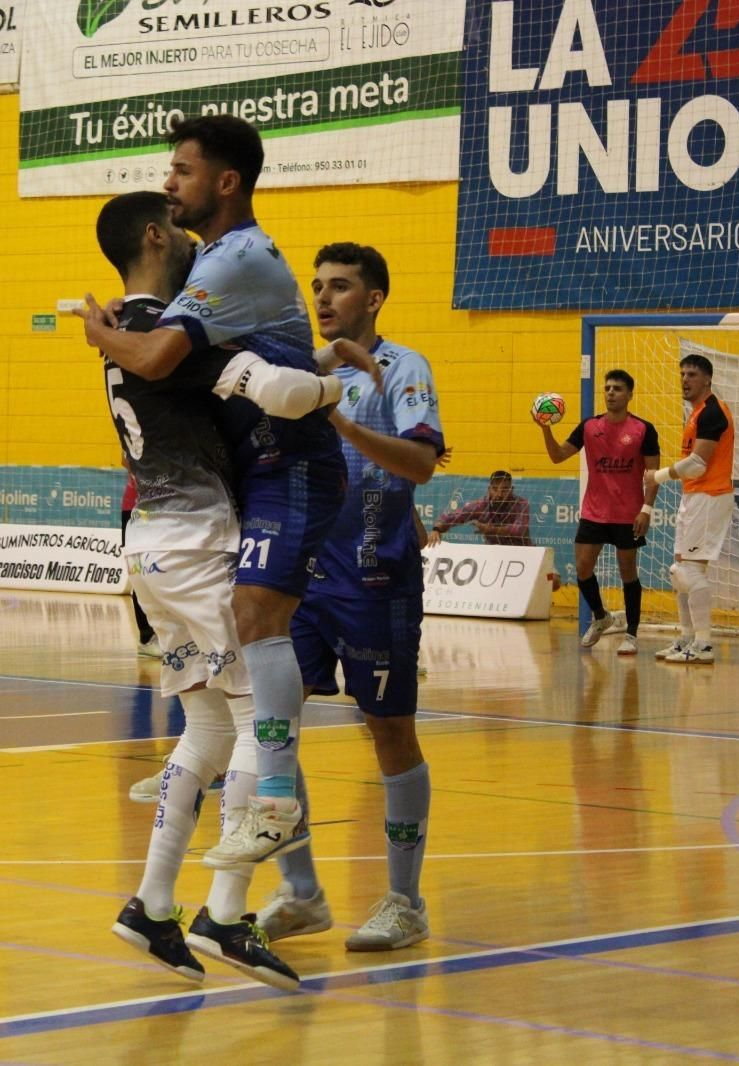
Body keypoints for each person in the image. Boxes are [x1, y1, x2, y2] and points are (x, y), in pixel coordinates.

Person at [78, 116, 346, 879]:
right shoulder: (216, 264)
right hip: (243, 477)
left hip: (283, 467)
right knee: (238, 662)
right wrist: (328, 368)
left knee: (256, 625)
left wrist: (103, 336)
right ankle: (218, 810)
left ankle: (273, 806)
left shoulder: (233, 261)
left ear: (225, 182)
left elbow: (162, 358)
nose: (170, 183)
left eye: (182, 171)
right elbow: (233, 369)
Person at [257, 243, 445, 953]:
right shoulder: (299, 372)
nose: (324, 298)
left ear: (374, 298)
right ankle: (301, 891)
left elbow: (422, 463)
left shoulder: (405, 368)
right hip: (300, 577)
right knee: (271, 723)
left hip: (375, 579)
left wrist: (340, 421)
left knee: (390, 733)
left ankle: (405, 902)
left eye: (340, 286)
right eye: (316, 287)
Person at [538, 370, 661, 656]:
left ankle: (631, 633)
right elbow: (557, 456)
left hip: (629, 513)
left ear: (630, 394)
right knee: (582, 567)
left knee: (627, 571)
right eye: (607, 388)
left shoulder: (644, 429)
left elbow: (652, 475)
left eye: (617, 388)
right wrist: (545, 428)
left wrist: (646, 509)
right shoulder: (589, 426)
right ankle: (601, 616)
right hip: (594, 511)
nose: (610, 392)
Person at [651, 352, 735, 664]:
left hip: (709, 495)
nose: (685, 379)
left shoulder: (713, 411)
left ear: (707, 379)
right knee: (679, 571)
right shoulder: (697, 412)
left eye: (692, 375)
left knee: (690, 570)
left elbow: (698, 464)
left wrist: (658, 476)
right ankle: (687, 637)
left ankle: (704, 643)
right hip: (694, 495)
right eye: (683, 373)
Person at [428, 470, 532, 546]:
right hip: (493, 554)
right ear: (489, 489)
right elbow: (452, 517)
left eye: (504, 489)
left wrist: (491, 530)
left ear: (511, 490)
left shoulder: (521, 504)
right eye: (495, 489)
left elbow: (519, 530)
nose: (499, 494)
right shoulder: (481, 505)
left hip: (521, 551)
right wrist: (436, 529)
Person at [119, 471, 160, 658]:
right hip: (136, 508)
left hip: (163, 508)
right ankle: (147, 637)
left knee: (163, 571)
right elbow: (125, 458)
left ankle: (170, 636)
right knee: (139, 571)